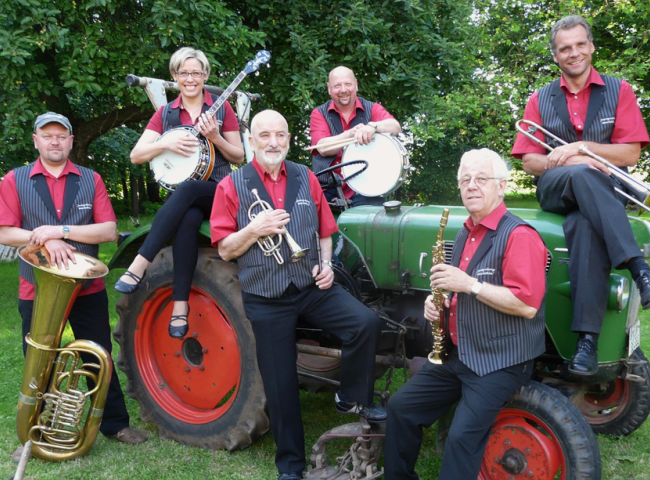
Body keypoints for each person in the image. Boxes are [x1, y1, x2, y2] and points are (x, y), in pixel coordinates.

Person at [210, 109, 386, 480]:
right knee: (281, 385)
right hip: (266, 296)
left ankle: (351, 397)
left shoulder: (305, 176)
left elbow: (326, 229)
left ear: (289, 139)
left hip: (309, 287)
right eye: (265, 135)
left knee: (366, 323)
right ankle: (290, 465)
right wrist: (254, 229)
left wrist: (326, 264)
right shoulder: (231, 185)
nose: (273, 142)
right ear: (252, 141)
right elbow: (225, 249)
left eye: (280, 135)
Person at [511, 15, 650, 376]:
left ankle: (587, 342)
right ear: (555, 55)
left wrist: (583, 148)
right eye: (565, 48)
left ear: (591, 46)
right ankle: (639, 268)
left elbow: (631, 153)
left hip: (605, 190)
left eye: (580, 44)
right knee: (582, 173)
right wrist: (569, 162)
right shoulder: (540, 98)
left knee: (584, 226)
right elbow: (530, 161)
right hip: (556, 187)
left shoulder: (619, 90)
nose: (574, 53)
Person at [383, 149, 549, 480]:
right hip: (460, 354)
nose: (472, 185)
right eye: (465, 180)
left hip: (501, 359)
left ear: (502, 186)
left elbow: (526, 305)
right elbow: (459, 291)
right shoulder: (465, 232)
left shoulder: (519, 235)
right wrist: (439, 303)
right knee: (401, 408)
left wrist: (469, 284)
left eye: (481, 179)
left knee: (460, 439)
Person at [0, 112, 147, 462]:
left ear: (71, 141)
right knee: (39, 361)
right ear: (36, 140)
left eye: (61, 136)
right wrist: (46, 240)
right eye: (47, 135)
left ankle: (115, 424)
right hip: (37, 288)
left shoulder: (91, 179)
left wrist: (60, 231)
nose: (55, 141)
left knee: (99, 355)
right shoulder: (15, 179)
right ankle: (33, 432)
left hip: (86, 288)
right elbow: (6, 233)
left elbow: (108, 230)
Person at [114, 47, 244, 339]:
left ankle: (140, 263)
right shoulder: (166, 114)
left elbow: (238, 156)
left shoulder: (222, 109)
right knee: (188, 218)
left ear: (205, 75)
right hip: (187, 199)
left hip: (219, 192)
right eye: (184, 72)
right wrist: (164, 144)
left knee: (186, 191)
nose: (190, 78)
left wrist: (216, 137)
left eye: (196, 72)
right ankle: (179, 308)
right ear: (174, 75)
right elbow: (136, 155)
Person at [310, 66, 401, 206]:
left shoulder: (372, 108)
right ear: (329, 89)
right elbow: (323, 148)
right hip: (330, 188)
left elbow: (395, 127)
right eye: (337, 86)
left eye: (348, 84)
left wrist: (373, 127)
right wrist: (349, 134)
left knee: (378, 217)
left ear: (356, 85)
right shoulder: (319, 113)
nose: (343, 90)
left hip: (366, 186)